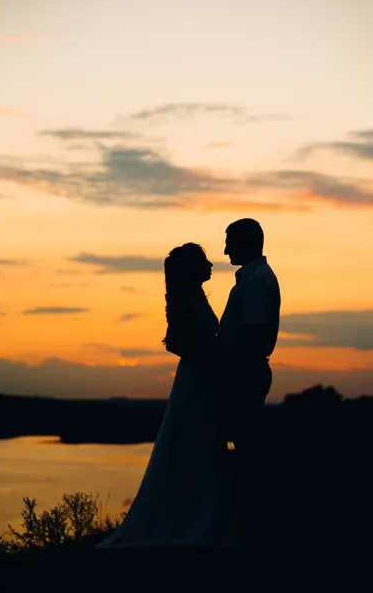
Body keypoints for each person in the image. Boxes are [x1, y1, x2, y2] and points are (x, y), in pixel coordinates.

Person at [95, 243, 237, 549]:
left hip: (204, 378)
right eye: (203, 261)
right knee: (189, 440)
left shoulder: (196, 296)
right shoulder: (185, 299)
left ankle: (203, 513)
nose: (211, 265)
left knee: (204, 443)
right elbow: (174, 341)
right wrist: (205, 358)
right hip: (195, 378)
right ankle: (185, 519)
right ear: (191, 268)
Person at [216, 218, 281, 541]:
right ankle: (251, 520)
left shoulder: (256, 281)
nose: (225, 248)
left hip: (244, 374)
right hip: (243, 371)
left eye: (230, 241)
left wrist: (223, 361)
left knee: (247, 447)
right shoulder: (251, 278)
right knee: (245, 444)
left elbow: (255, 334)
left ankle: (253, 523)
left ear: (246, 242)